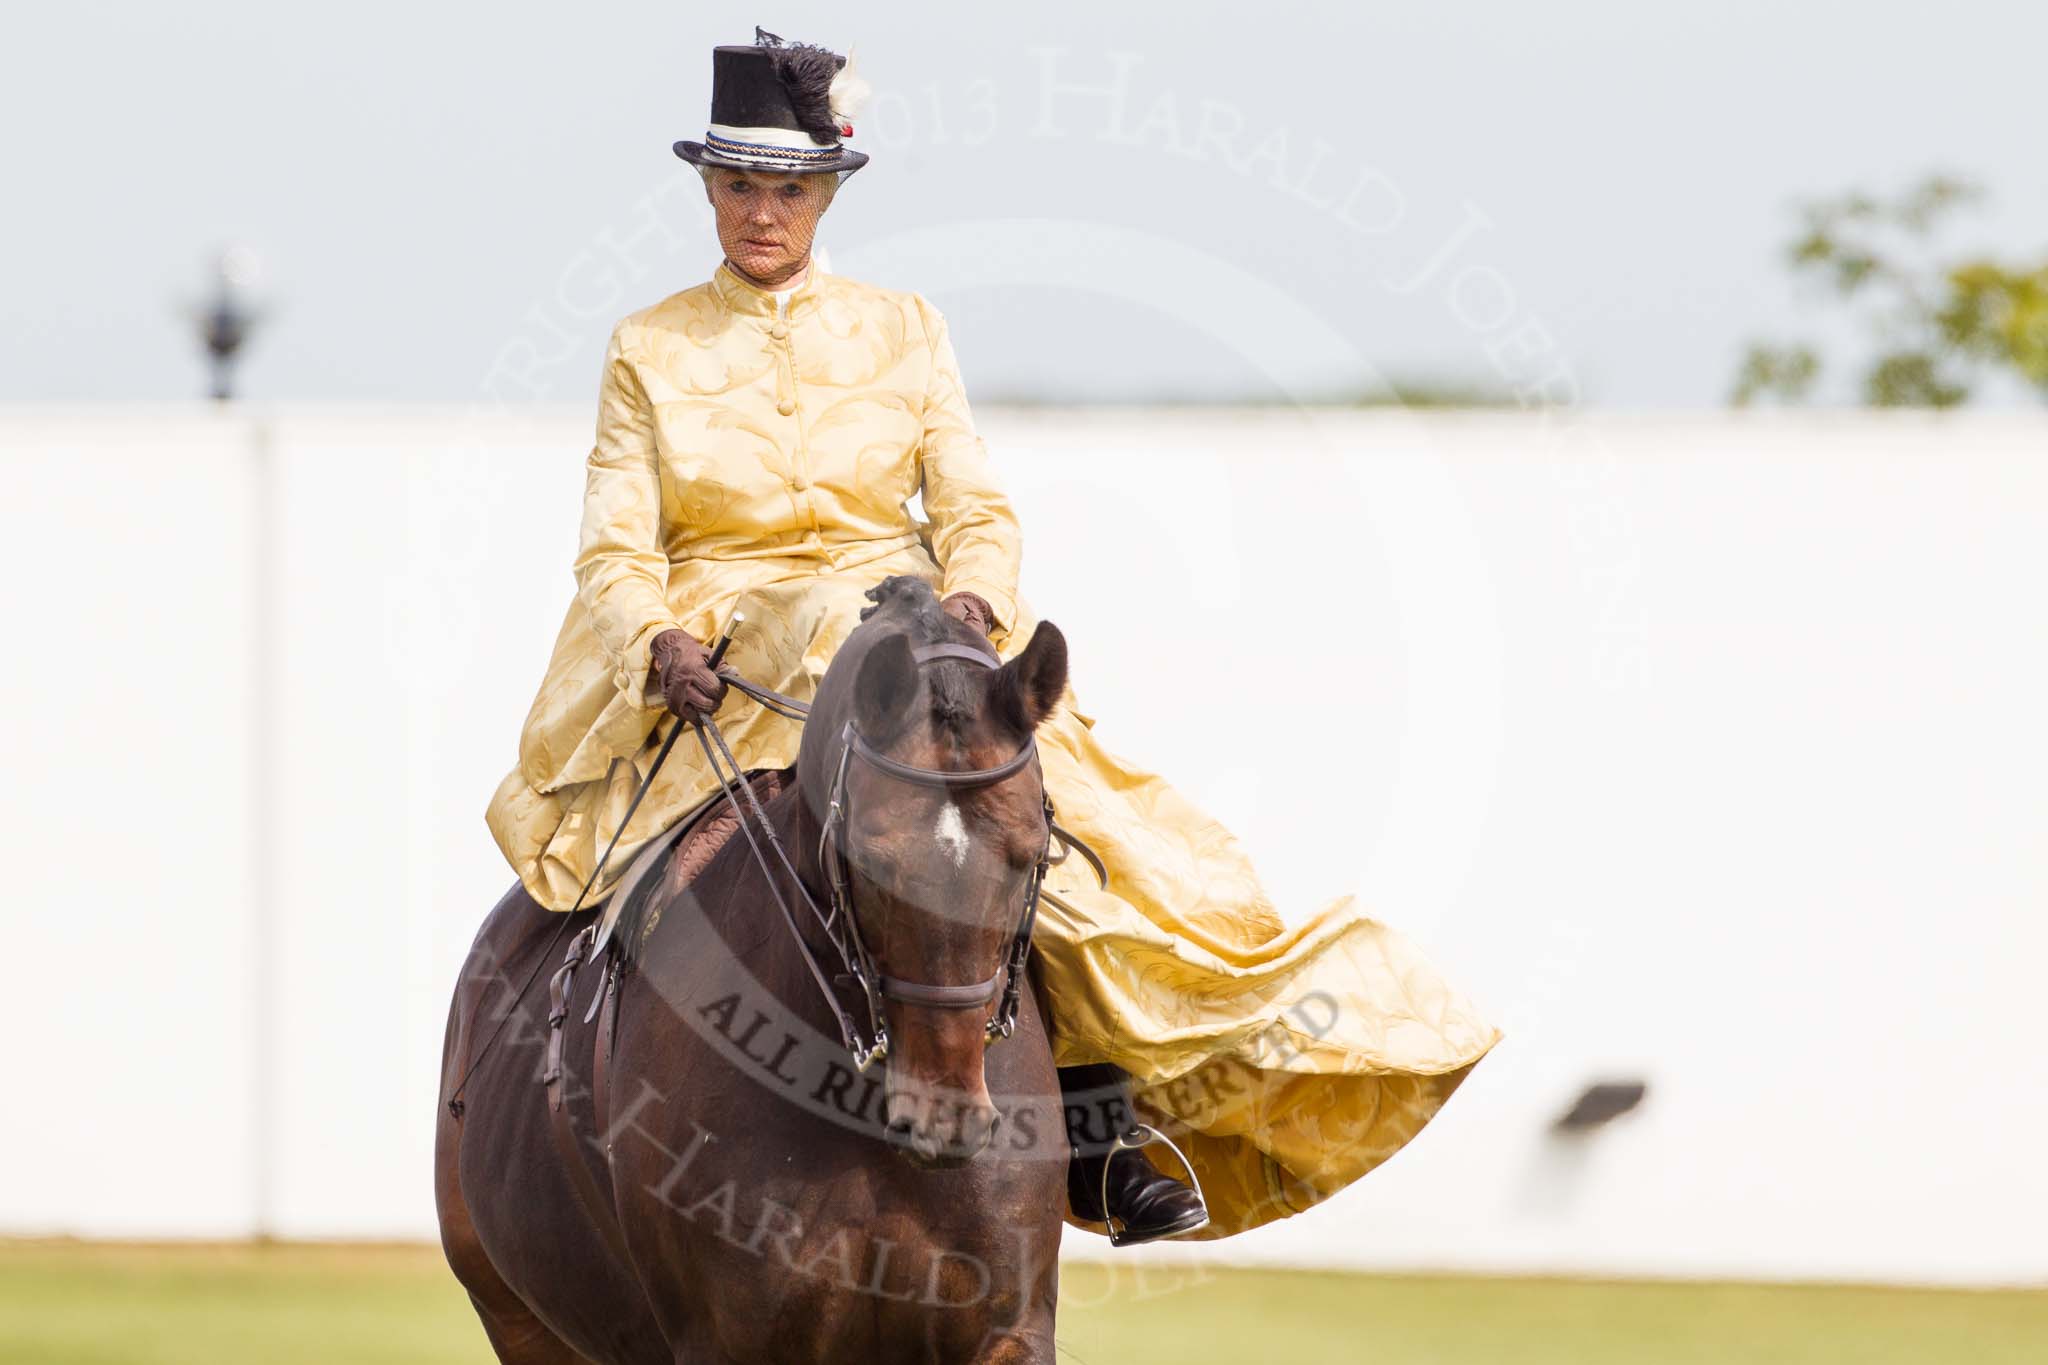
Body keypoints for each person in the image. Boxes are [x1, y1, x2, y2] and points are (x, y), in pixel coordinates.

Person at [486, 28, 1500, 1244]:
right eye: (743, 187)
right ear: (709, 190)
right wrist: (654, 634)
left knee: (1050, 847)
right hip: (730, 658)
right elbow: (613, 549)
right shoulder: (648, 346)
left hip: (904, 640)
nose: (765, 213)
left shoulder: (905, 326)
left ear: (826, 195)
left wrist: (971, 597)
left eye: (790, 189)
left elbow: (971, 505)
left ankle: (1101, 1137)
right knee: (602, 893)